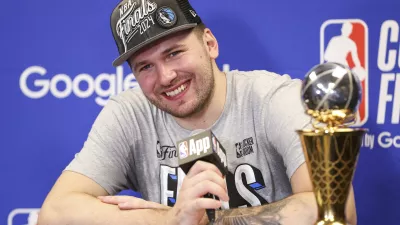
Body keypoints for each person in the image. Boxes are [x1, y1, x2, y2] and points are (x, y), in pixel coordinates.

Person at [37, 0, 357, 224]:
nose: (165, 77)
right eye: (145, 66)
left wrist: (205, 222)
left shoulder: (272, 98)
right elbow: (54, 214)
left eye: (174, 53)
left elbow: (332, 208)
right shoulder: (129, 114)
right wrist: (172, 220)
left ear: (210, 44)